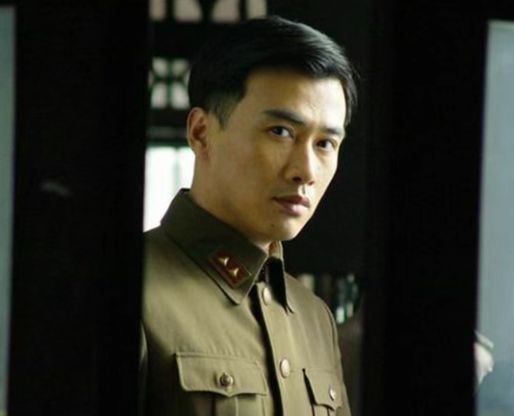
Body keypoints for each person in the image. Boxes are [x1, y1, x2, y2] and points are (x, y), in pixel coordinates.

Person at [139, 15, 358, 416]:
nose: (306, 171)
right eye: (281, 132)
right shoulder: (133, 290)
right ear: (201, 132)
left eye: (325, 143)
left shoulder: (315, 318)